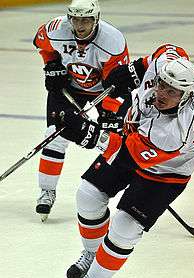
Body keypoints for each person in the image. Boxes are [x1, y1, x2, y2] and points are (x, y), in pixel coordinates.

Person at [54, 43, 194, 278]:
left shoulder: (175, 133)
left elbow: (126, 156)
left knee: (124, 228)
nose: (161, 93)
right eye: (161, 84)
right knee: (88, 194)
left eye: (171, 92)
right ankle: (91, 253)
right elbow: (169, 48)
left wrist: (87, 134)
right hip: (135, 140)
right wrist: (137, 68)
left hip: (165, 172)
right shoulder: (165, 65)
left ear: (186, 96)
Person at [33, 0, 130, 221]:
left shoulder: (112, 40)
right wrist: (51, 64)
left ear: (96, 19)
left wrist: (108, 116)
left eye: (86, 19)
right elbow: (40, 42)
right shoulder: (56, 29)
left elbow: (116, 84)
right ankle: (46, 191)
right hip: (68, 88)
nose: (80, 24)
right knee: (54, 136)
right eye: (76, 19)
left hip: (106, 91)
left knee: (116, 140)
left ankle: (110, 195)